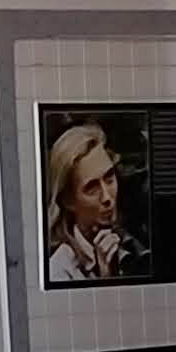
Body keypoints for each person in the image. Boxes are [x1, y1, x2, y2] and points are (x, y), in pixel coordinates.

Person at [43, 121, 134, 283]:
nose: (107, 197)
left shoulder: (132, 242)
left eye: (109, 178)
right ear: (68, 201)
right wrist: (106, 280)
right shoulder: (60, 271)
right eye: (92, 188)